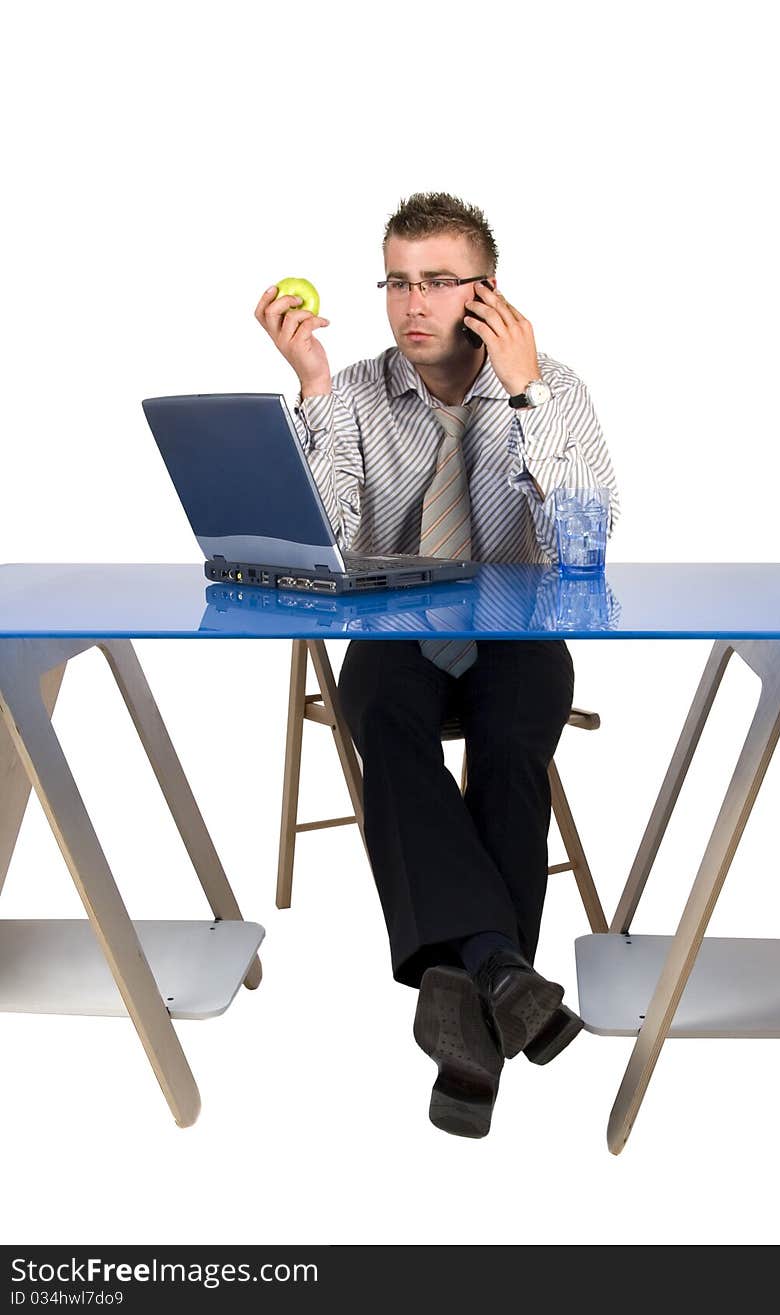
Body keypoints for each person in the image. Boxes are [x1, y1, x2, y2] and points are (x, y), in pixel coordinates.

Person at [254, 192, 621, 1139]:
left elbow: (581, 552)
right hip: (395, 633)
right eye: (398, 282)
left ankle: (467, 1007)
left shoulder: (550, 385)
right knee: (384, 716)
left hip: (518, 633)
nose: (414, 305)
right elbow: (326, 543)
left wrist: (527, 389)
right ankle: (503, 970)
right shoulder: (363, 393)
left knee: (510, 738)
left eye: (438, 282)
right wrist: (316, 388)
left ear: (485, 292)